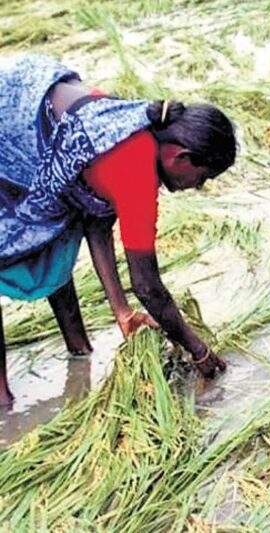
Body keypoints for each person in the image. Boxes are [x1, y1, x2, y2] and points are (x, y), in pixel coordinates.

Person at [0, 54, 237, 406]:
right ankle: (3, 405)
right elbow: (148, 286)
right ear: (180, 157)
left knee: (60, 229)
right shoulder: (136, 167)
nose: (197, 186)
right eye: (201, 178)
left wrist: (120, 311)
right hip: (13, 118)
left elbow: (97, 222)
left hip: (29, 99)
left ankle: (78, 351)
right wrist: (198, 351)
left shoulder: (137, 122)